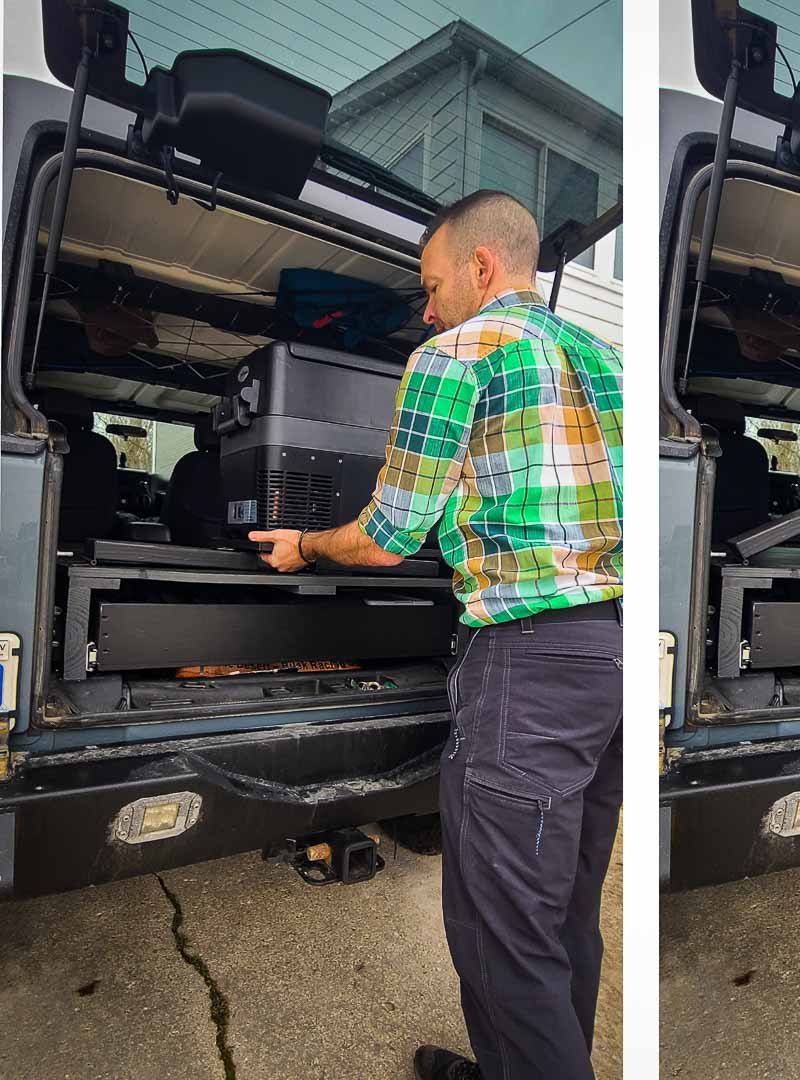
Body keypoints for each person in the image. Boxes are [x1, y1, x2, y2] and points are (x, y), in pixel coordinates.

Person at [251, 190, 624, 1080]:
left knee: (504, 933)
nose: (424, 307)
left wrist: (303, 543)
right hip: (610, 655)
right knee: (562, 913)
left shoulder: (455, 352)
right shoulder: (602, 357)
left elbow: (387, 536)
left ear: (481, 267)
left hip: (527, 667)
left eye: (430, 283)